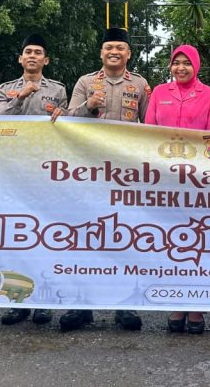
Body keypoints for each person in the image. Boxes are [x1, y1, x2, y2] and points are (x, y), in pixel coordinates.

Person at [58, 27, 151, 332]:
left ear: (128, 53)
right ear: (101, 52)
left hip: (126, 175)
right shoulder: (86, 82)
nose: (114, 52)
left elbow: (151, 127)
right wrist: (89, 106)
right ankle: (80, 305)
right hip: (89, 172)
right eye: (109, 47)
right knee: (84, 237)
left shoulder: (139, 85)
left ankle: (124, 305)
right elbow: (68, 119)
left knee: (125, 237)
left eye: (120, 48)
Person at [145, 44, 210, 335]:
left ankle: (196, 308)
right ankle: (177, 304)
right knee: (171, 242)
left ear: (196, 66)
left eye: (186, 63)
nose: (181, 68)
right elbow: (149, 131)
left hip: (199, 181)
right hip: (165, 180)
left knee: (199, 242)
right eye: (176, 62)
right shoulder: (160, 93)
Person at [0, 33, 66, 326]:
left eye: (38, 52)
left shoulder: (59, 90)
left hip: (47, 172)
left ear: (46, 60)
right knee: (17, 236)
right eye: (28, 52)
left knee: (45, 236)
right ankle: (17, 301)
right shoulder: (6, 89)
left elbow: (68, 121)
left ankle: (44, 302)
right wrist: (20, 97)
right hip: (14, 172)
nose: (33, 56)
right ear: (20, 59)